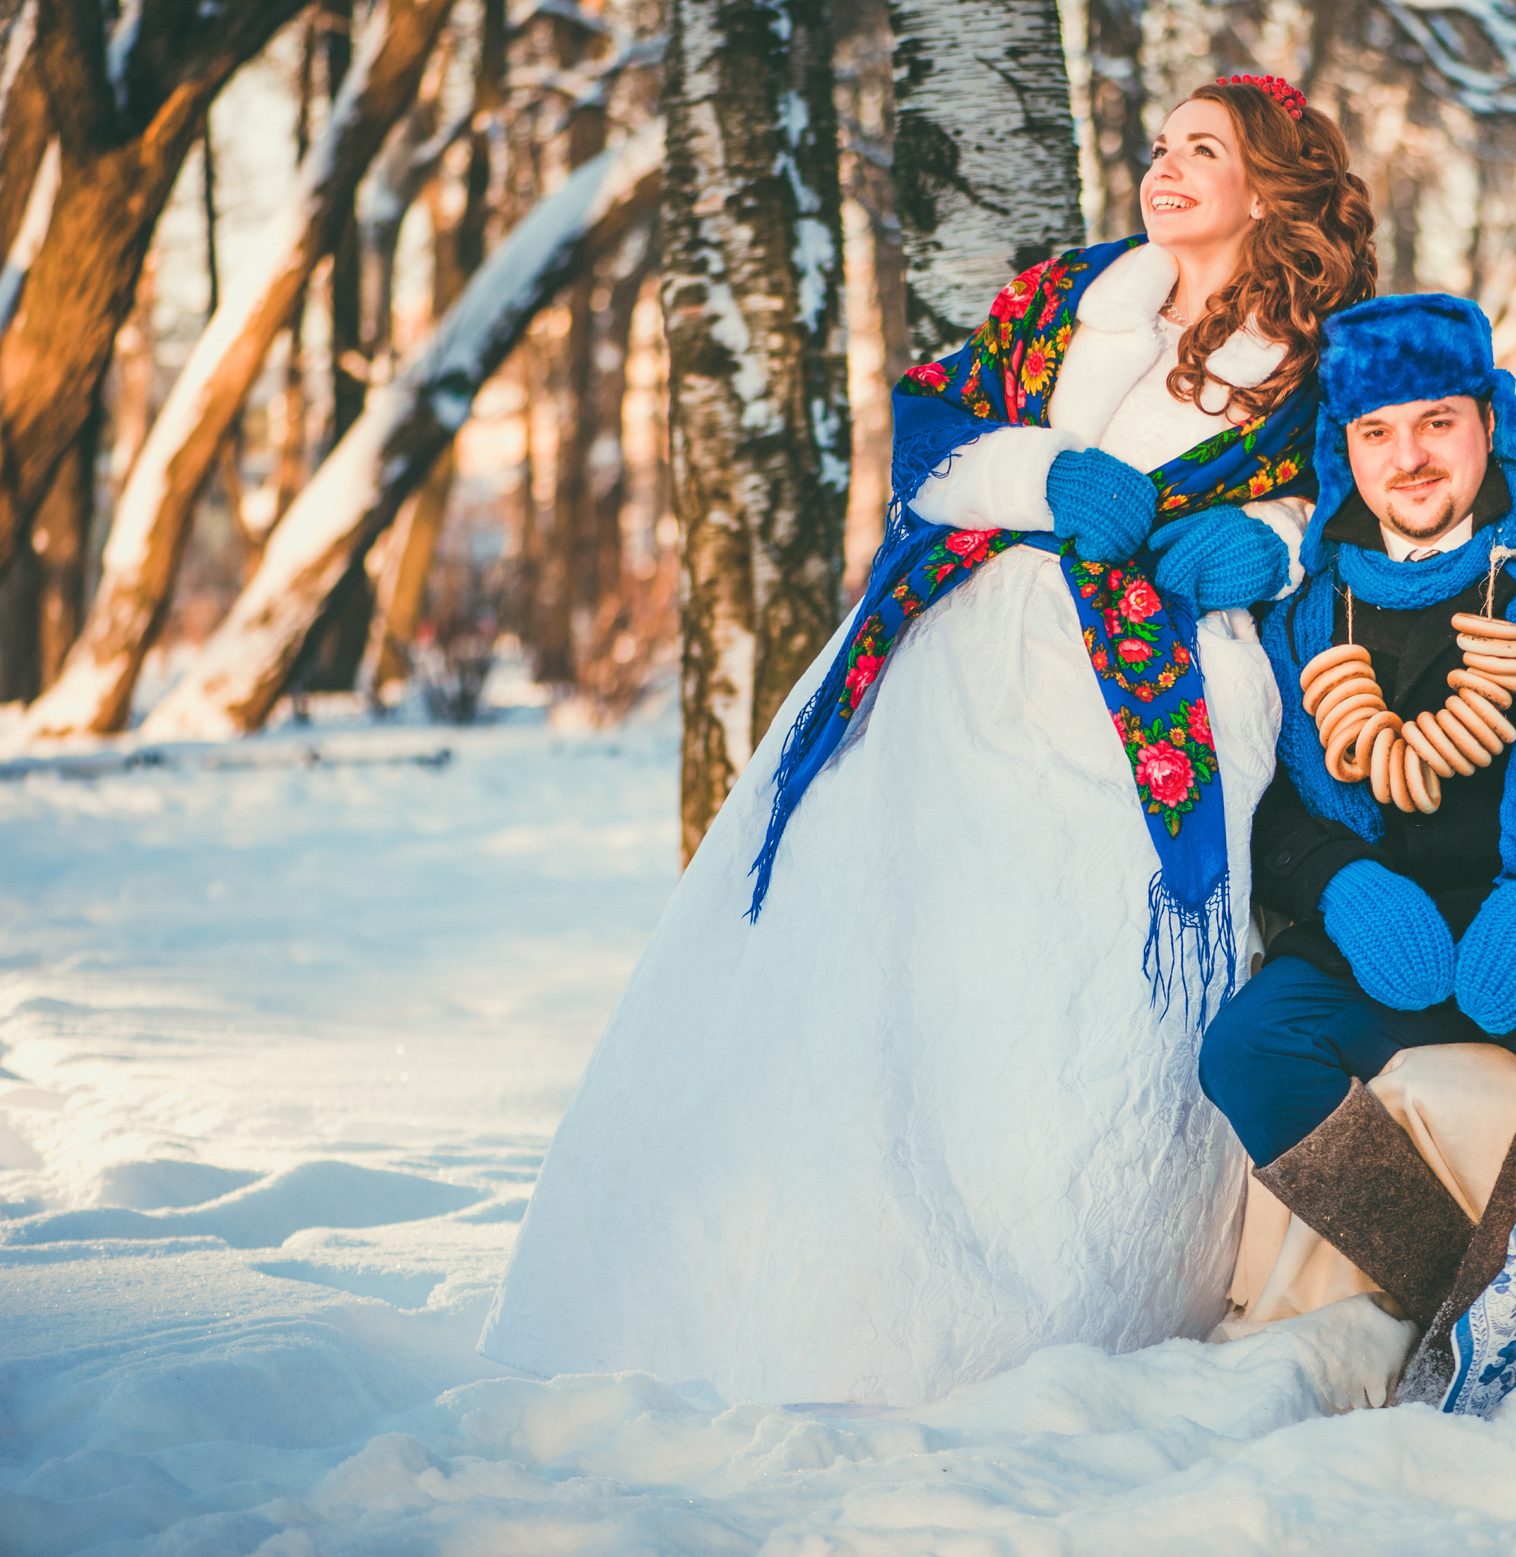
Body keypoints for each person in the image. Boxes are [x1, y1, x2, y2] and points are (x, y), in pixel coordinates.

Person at [479, 75, 1377, 1408]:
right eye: (1160, 145)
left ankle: (1066, 1312)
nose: (1168, 166)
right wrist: (1036, 475)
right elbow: (932, 424)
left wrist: (1283, 541)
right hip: (949, 683)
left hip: (1156, 710)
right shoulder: (1072, 296)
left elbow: (1394, 491)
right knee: (896, 982)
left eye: (1207, 148)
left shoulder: (1331, 349)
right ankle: (812, 1299)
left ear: (1277, 182)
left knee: (1072, 1001)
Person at [1197, 292, 1516, 1403]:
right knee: (1247, 1049)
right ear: (1344, 444)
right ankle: (1469, 1292)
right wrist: (1336, 885)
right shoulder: (1300, 581)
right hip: (1382, 933)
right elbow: (1254, 791)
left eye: (1435, 420)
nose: (1409, 456)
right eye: (1376, 432)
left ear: (1488, 417)